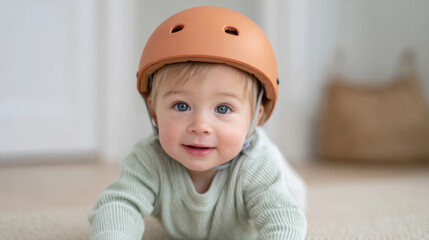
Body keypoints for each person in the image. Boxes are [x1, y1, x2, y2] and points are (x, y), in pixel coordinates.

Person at [89, 6, 307, 240]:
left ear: (255, 119)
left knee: (289, 195)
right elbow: (119, 206)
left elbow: (281, 218)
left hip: (275, 191)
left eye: (223, 109)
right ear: (153, 109)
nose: (200, 125)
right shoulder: (148, 161)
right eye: (181, 106)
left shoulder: (259, 165)